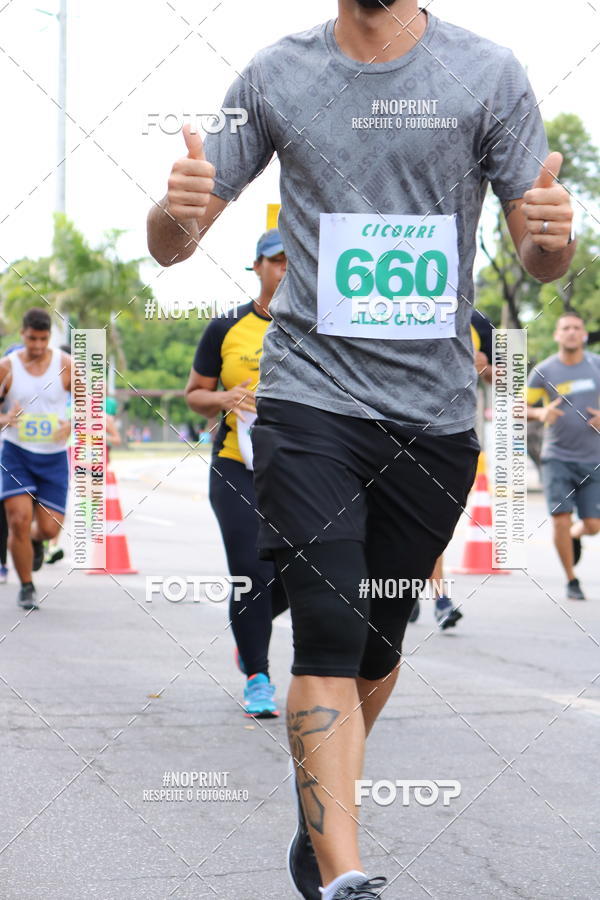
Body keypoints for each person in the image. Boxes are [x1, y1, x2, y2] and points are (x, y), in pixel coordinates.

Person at [147, 2, 575, 896]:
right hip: (307, 402)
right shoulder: (273, 76)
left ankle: (320, 819)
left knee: (378, 645)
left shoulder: (489, 74)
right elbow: (173, 244)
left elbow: (541, 257)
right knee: (329, 632)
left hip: (434, 418)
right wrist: (173, 214)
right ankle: (346, 877)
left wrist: (549, 237)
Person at [184, 229, 290, 718]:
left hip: (300, 472)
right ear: (258, 267)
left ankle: (250, 635)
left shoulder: (323, 330)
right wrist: (223, 399)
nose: (285, 269)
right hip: (236, 468)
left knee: (299, 573)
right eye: (276, 260)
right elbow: (195, 394)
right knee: (252, 572)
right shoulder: (226, 327)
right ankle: (258, 675)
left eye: (294, 260)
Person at [410, 308, 495, 628]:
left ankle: (429, 595)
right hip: (392, 428)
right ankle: (418, 592)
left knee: (433, 520)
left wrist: (485, 366)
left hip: (450, 435)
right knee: (402, 521)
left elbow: (509, 373)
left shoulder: (477, 320)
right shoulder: (395, 306)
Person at [0, 309, 71, 610]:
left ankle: (34, 541)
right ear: (22, 334)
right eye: (32, 338)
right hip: (15, 454)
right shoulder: (7, 367)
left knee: (49, 529)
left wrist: (72, 424)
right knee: (18, 520)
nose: (38, 345)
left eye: (43, 339)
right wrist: (5, 418)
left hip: (53, 458)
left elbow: (89, 406)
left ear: (49, 338)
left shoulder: (66, 366)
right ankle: (26, 586)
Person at [527, 312, 600, 601]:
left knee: (594, 525)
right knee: (560, 518)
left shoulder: (597, 366)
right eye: (565, 327)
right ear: (557, 335)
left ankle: (575, 534)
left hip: (593, 457)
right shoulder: (544, 371)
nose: (571, 332)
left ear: (584, 334)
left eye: (576, 327)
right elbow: (518, 408)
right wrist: (539, 412)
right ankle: (572, 579)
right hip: (556, 457)